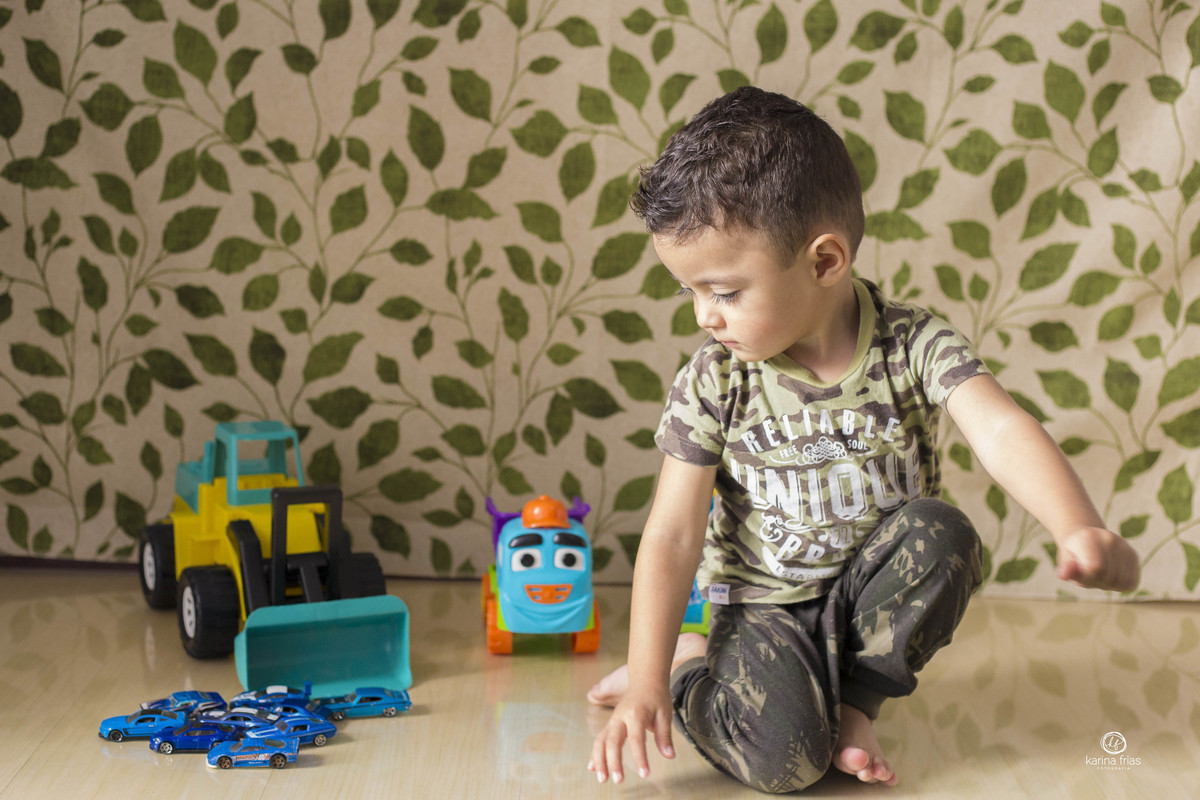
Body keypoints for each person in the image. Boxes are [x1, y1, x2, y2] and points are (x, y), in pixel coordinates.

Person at [585, 86, 1140, 792]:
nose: (705, 316)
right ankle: (687, 666)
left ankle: (855, 701)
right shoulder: (716, 381)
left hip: (866, 592)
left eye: (723, 292)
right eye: (690, 293)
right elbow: (671, 535)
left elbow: (1000, 427)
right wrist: (648, 684)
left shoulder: (913, 344)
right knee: (787, 764)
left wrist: (1078, 527)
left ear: (823, 262)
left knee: (945, 535)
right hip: (766, 607)